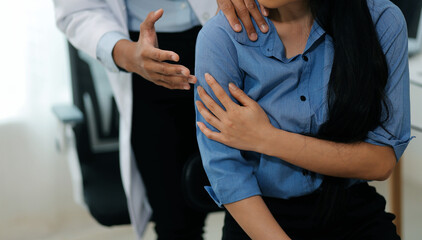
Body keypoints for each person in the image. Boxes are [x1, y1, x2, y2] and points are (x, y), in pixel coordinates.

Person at [53, 0, 274, 239]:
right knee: (175, 221)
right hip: (149, 56)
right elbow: (77, 10)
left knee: (266, 202)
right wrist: (129, 55)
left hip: (239, 32)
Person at [194, 0, 412, 239]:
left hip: (351, 210)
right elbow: (225, 171)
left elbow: (380, 162)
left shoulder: (382, 20)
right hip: (260, 218)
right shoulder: (221, 36)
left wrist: (267, 138)